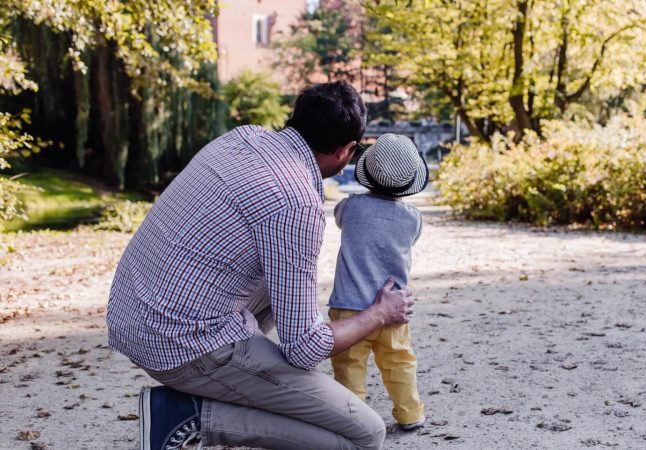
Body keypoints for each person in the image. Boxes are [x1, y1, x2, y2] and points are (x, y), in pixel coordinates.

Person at [106, 81, 415, 450]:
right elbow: (305, 346)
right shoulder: (296, 202)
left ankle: (250, 384)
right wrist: (380, 313)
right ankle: (188, 416)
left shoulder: (242, 137)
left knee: (281, 279)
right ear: (347, 150)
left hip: (134, 316)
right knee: (364, 433)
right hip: (181, 345)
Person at [328, 133, 428, 432]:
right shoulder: (413, 219)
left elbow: (338, 218)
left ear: (367, 173)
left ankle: (353, 419)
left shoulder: (350, 208)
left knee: (349, 368)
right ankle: (410, 413)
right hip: (393, 309)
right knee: (399, 362)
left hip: (348, 310)